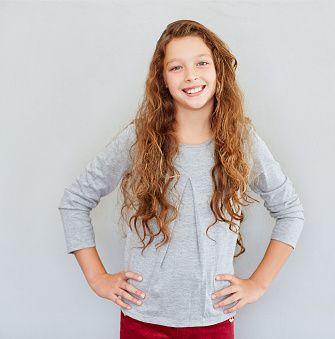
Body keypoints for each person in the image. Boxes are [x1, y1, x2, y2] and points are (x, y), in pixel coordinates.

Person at [58, 19, 304, 338]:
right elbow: (74, 202)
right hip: (142, 320)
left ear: (218, 70)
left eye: (201, 63)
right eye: (176, 67)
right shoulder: (139, 139)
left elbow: (290, 211)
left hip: (214, 322)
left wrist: (258, 284)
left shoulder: (242, 140)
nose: (190, 75)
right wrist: (97, 278)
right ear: (162, 79)